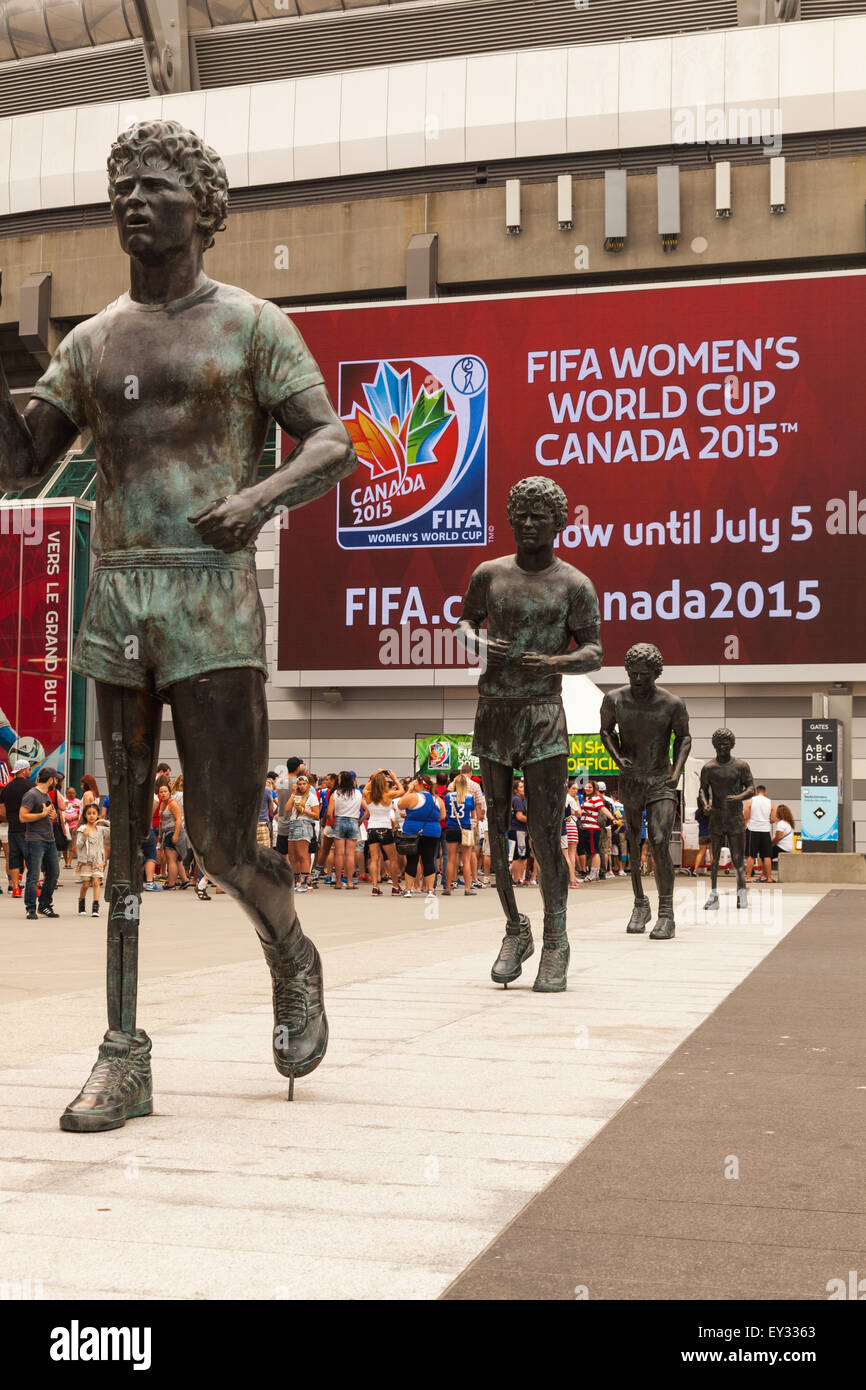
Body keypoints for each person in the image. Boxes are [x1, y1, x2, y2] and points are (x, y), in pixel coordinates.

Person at [1, 117, 356, 1128]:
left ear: (202, 209)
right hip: (119, 595)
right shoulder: (90, 341)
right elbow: (25, 463)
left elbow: (331, 443)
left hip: (210, 601)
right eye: (119, 185)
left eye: (152, 184)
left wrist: (258, 500)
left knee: (216, 839)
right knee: (119, 840)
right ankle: (123, 1050)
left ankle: (288, 944)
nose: (130, 200)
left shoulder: (251, 324)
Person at [457, 475, 603, 992]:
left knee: (543, 832)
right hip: (494, 708)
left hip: (543, 711)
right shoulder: (488, 573)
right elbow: (464, 624)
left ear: (558, 523)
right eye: (520, 516)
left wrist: (556, 661)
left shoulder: (574, 584)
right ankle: (514, 927)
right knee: (496, 828)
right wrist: (478, 642)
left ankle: (556, 936)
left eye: (539, 517)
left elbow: (595, 650)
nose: (528, 524)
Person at [600, 643, 692, 939]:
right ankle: (641, 903)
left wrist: (676, 773)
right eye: (633, 673)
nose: (637, 679)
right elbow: (605, 731)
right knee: (632, 839)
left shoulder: (672, 703)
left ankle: (666, 912)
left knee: (659, 839)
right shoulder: (614, 699)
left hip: (660, 780)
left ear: (656, 673)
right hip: (630, 781)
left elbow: (684, 738)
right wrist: (617, 757)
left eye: (644, 674)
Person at [698, 728, 756, 911]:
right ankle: (713, 896)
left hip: (735, 817)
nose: (722, 747)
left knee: (738, 859)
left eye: (726, 744)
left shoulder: (741, 766)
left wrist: (739, 797)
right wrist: (705, 803)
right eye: (719, 744)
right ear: (714, 745)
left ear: (732, 745)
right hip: (716, 816)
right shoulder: (709, 768)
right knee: (714, 860)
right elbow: (702, 790)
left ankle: (741, 894)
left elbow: (751, 788)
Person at [20, 766, 62, 920]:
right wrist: (42, 814)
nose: (57, 781)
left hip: (49, 840)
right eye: (56, 778)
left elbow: (48, 817)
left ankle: (44, 905)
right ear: (51, 779)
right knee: (34, 876)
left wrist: (53, 815)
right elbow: (22, 817)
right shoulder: (31, 794)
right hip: (35, 840)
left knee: (54, 873)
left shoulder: (47, 796)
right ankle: (30, 908)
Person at [396, 775, 444, 899]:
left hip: (413, 832)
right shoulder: (437, 799)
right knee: (429, 860)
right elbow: (442, 816)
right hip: (432, 832)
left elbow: (400, 804)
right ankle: (430, 890)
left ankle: (408, 889)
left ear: (418, 783)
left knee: (412, 860)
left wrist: (409, 790)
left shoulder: (413, 797)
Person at [362, 770, 404, 896]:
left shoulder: (368, 795)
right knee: (393, 859)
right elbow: (402, 791)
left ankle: (375, 886)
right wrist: (394, 778)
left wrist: (375, 775)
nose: (388, 784)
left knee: (374, 859)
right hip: (384, 828)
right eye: (386, 782)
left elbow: (365, 788)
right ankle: (395, 886)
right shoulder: (388, 795)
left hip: (372, 828)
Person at [0, 758, 35, 898]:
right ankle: (30, 886)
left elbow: (2, 810)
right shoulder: (31, 786)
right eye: (29, 769)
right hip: (27, 828)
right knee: (29, 858)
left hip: (12, 828)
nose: (30, 771)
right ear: (23, 770)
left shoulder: (7, 788)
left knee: (13, 858)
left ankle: (15, 888)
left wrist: (12, 819)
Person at [283, 772, 319, 891]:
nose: (302, 786)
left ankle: (304, 883)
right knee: (292, 855)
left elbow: (316, 814)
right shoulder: (296, 796)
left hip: (304, 824)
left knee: (302, 855)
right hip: (293, 823)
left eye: (304, 784)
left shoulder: (311, 797)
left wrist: (303, 810)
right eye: (299, 784)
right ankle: (296, 881)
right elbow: (287, 808)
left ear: (308, 785)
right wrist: (293, 794)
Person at [443, 774, 477, 897]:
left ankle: (447, 887)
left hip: (452, 828)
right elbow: (473, 816)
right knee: (466, 860)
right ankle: (467, 888)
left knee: (451, 859)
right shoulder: (469, 797)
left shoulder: (448, 797)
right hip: (465, 829)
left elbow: (447, 811)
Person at [329, 771, 363, 889]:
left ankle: (338, 882)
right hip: (353, 821)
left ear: (341, 781)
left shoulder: (336, 793)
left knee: (339, 854)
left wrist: (333, 825)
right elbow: (367, 811)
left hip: (339, 821)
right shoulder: (358, 793)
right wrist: (360, 821)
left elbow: (329, 813)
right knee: (350, 854)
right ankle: (349, 882)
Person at [76, 802, 110, 915]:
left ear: (97, 815)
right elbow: (78, 845)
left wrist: (105, 821)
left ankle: (95, 907)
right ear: (85, 815)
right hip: (86, 861)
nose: (91, 816)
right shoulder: (82, 828)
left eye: (94, 813)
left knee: (96, 882)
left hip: (97, 860)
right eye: (89, 813)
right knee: (86, 884)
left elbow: (115, 829)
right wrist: (84, 836)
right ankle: (81, 902)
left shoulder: (101, 829)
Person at [158, 782, 189, 890]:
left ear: (170, 793)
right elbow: (161, 821)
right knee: (177, 859)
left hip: (174, 832)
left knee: (171, 859)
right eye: (161, 792)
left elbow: (179, 820)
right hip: (166, 832)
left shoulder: (173, 803)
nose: (163, 794)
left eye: (165, 791)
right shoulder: (162, 804)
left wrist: (175, 835)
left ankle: (171, 883)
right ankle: (184, 880)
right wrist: (160, 835)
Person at [745, 784, 775, 884]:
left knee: (751, 855)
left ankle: (748, 877)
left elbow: (746, 816)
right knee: (767, 856)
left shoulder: (751, 800)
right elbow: (773, 819)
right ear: (765, 792)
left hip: (753, 829)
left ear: (756, 792)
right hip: (765, 830)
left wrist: (745, 825)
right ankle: (769, 878)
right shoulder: (770, 802)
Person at [578, 779, 605, 882]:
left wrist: (613, 818)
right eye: (586, 787)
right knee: (592, 851)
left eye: (590, 787)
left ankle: (594, 874)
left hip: (592, 828)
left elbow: (603, 809)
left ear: (594, 789)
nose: (587, 789)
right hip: (586, 827)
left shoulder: (595, 798)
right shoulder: (586, 799)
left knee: (595, 852)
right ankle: (594, 874)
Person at [508, 778, 528, 885]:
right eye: (521, 787)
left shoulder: (517, 799)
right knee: (518, 855)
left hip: (515, 830)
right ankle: (516, 879)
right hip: (518, 830)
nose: (523, 789)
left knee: (519, 855)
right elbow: (519, 816)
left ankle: (514, 878)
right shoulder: (517, 800)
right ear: (515, 790)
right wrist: (531, 820)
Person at [770, 803, 796, 870]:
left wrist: (771, 842)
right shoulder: (789, 823)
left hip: (782, 848)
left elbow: (778, 837)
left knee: (766, 855)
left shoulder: (781, 823)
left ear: (779, 813)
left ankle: (766, 874)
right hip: (789, 848)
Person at [63, 787, 82, 868]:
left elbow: (81, 814)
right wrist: (65, 818)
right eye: (70, 793)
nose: (71, 794)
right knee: (64, 845)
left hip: (74, 825)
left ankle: (69, 863)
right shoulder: (63, 800)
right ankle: (66, 861)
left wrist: (73, 818)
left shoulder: (78, 801)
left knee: (72, 845)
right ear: (66, 793)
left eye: (73, 793)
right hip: (64, 826)